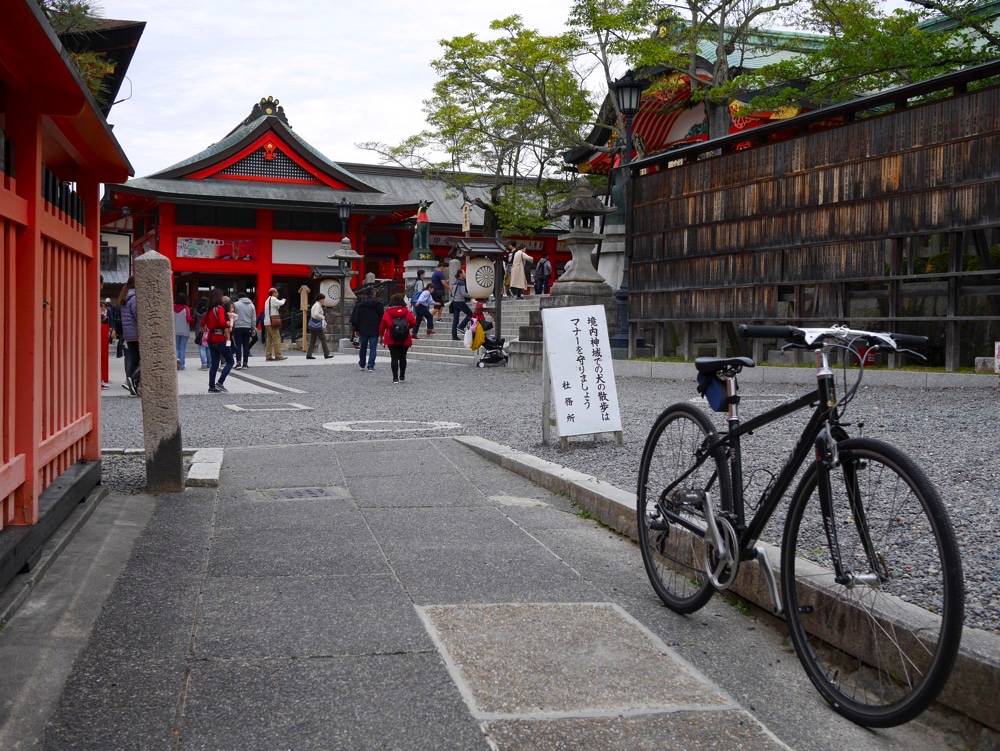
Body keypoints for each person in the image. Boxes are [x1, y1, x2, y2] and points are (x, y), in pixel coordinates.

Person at [379, 293, 417, 384]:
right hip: (404, 337)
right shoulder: (407, 312)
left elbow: (382, 325)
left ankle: (395, 378)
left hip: (392, 338)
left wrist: (381, 336)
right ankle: (402, 376)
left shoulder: (388, 313)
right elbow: (413, 322)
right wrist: (407, 327)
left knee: (394, 357)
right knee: (403, 357)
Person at [204, 286, 234, 393]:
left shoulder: (209, 310)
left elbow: (203, 323)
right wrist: (228, 323)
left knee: (214, 364)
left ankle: (211, 386)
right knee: (230, 361)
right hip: (220, 338)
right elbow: (222, 322)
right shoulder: (220, 309)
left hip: (210, 339)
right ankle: (220, 382)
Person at [349, 287, 384, 372]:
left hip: (363, 328)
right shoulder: (378, 304)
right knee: (373, 347)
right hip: (375, 328)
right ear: (373, 294)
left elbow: (356, 318)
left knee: (363, 347)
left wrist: (356, 329)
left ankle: (362, 363)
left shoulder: (360, 305)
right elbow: (382, 317)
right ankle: (371, 365)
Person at [119, 276, 140, 395]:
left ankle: (132, 383)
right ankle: (131, 380)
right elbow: (138, 315)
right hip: (136, 333)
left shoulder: (125, 296)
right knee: (142, 360)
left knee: (135, 359)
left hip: (128, 334)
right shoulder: (135, 298)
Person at [232, 293, 256, 370]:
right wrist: (253, 329)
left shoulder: (236, 304)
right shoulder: (252, 305)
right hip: (248, 327)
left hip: (238, 327)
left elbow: (232, 315)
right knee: (246, 346)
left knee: (238, 346)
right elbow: (253, 318)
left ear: (239, 298)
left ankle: (238, 363)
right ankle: (245, 364)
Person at [306, 293, 333, 359]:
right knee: (323, 339)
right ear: (320, 299)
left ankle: (309, 354)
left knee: (313, 340)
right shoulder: (318, 305)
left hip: (312, 325)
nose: (323, 300)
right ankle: (326, 354)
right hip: (317, 325)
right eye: (322, 299)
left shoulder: (315, 305)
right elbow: (316, 314)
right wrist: (322, 317)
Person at [263, 287, 287, 361]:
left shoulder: (267, 300)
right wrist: (283, 300)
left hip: (267, 322)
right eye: (276, 292)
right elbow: (281, 303)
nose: (277, 294)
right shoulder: (273, 299)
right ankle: (278, 355)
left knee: (269, 340)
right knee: (277, 338)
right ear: (273, 293)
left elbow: (276, 306)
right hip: (272, 322)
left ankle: (268, 355)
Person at [173, 292, 195, 370]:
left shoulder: (172, 308)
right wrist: (194, 321)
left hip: (175, 330)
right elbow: (188, 319)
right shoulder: (186, 308)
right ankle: (182, 365)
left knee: (176, 348)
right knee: (182, 348)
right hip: (184, 330)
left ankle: (175, 363)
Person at [450, 269, 473, 340]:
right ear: (460, 274)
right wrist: (472, 295)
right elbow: (463, 293)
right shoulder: (462, 283)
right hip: (460, 301)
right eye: (464, 273)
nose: (465, 274)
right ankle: (461, 326)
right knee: (470, 314)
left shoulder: (455, 283)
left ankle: (454, 335)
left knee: (455, 319)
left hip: (454, 302)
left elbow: (452, 294)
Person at [193, 296, 210, 369]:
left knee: (201, 347)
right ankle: (209, 363)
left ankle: (204, 364)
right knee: (208, 347)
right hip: (207, 329)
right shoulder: (209, 310)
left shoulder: (196, 310)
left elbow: (194, 318)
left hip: (198, 329)